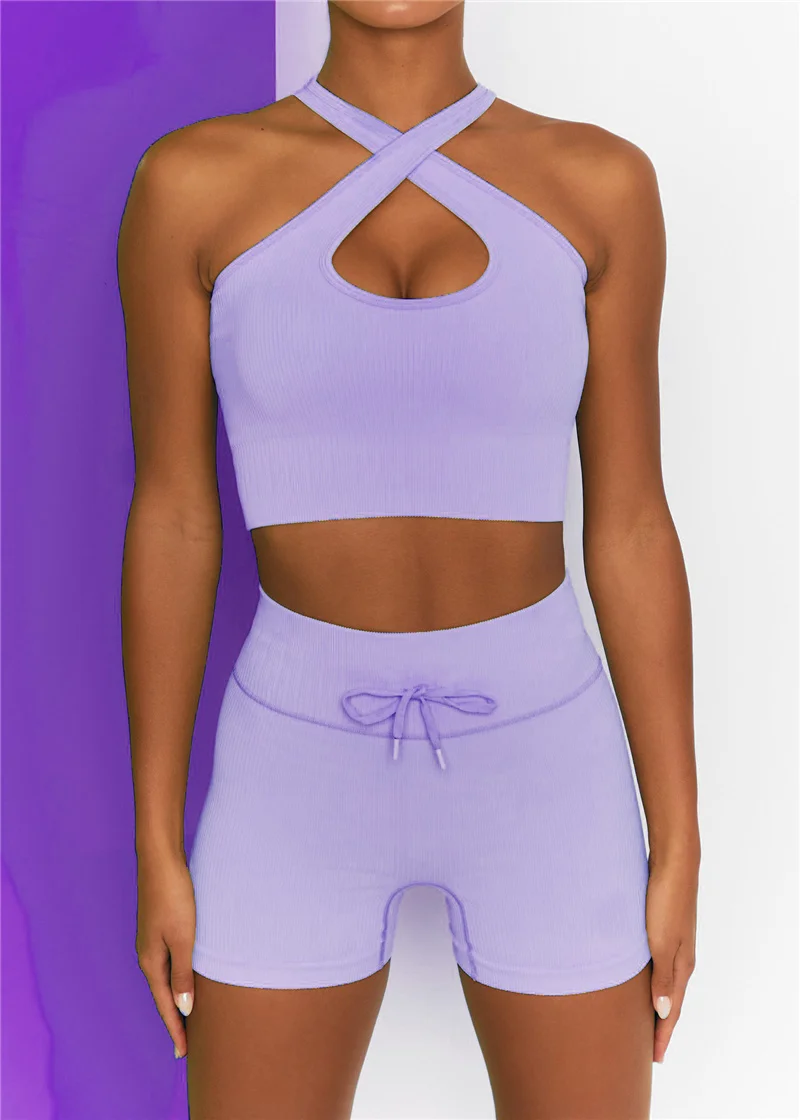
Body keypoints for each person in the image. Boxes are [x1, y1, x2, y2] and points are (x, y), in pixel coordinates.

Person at [117, 1, 700, 1115]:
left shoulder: (599, 183)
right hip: (291, 764)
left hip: (549, 765)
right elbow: (174, 518)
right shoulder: (190, 184)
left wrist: (679, 843)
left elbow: (630, 521)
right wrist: (157, 844)